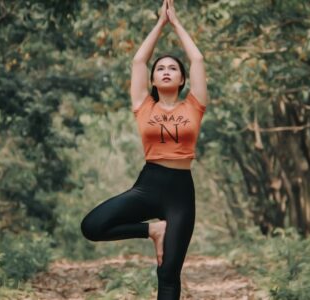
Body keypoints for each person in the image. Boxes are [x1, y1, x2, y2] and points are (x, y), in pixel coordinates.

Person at [80, 0, 207, 298]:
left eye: (172, 68)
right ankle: (153, 230)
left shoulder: (194, 106)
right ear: (151, 79)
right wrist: (159, 24)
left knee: (168, 273)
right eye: (160, 68)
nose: (165, 71)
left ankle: (160, 236)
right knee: (92, 226)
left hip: (180, 193)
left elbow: (198, 60)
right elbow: (138, 61)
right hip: (149, 184)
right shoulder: (143, 105)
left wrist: (176, 24)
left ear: (182, 79)